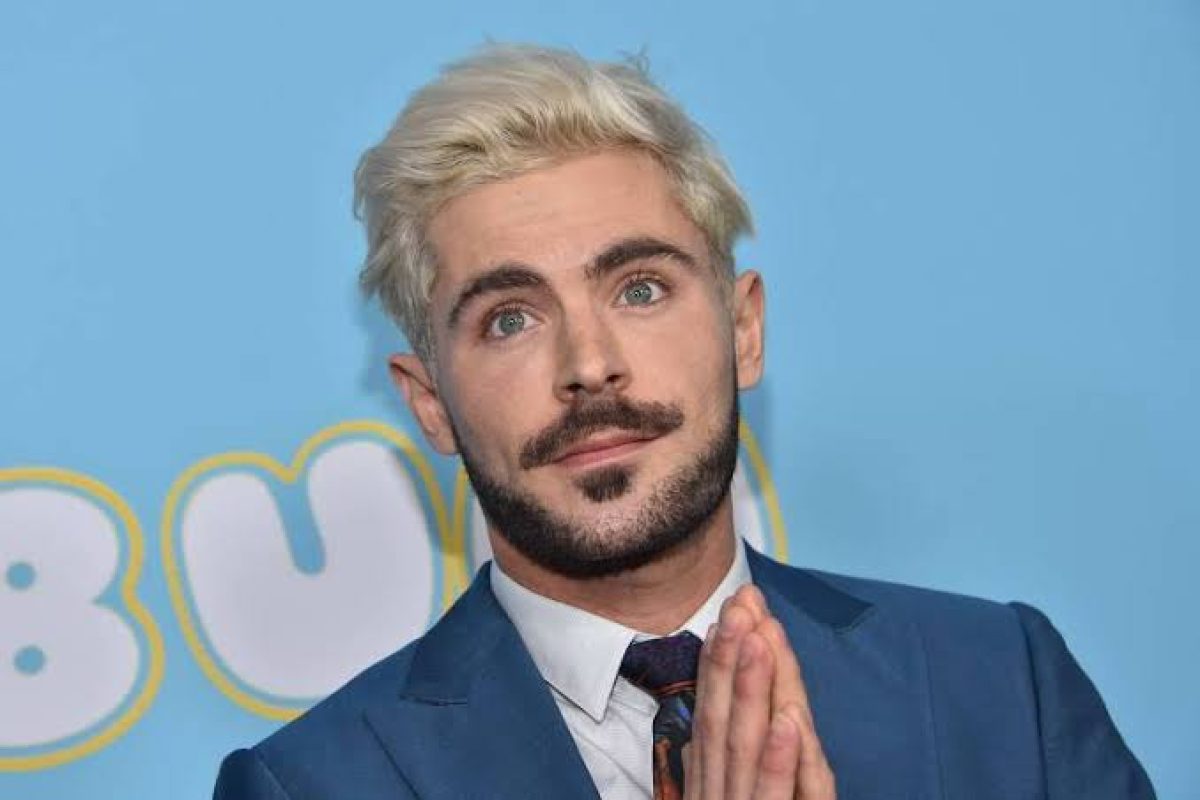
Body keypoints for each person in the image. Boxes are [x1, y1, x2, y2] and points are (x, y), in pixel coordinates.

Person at [213, 44, 1155, 799]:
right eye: (510, 318)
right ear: (430, 403)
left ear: (743, 331)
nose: (589, 365)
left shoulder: (999, 683)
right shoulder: (314, 784)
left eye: (641, 288)